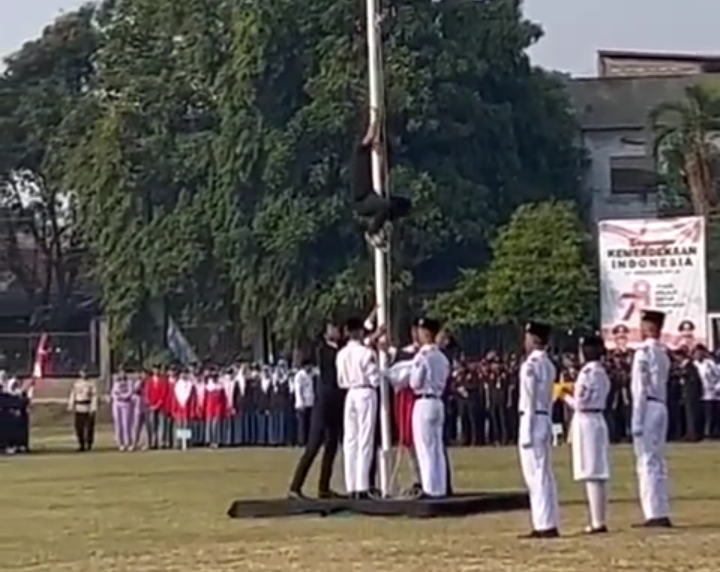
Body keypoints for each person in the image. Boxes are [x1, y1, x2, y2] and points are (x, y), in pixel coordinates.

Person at [288, 321, 345, 499]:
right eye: (332, 328)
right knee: (313, 446)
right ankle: (295, 487)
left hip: (336, 404)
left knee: (331, 446)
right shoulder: (322, 350)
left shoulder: (341, 348)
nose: (336, 331)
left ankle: (324, 487)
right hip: (323, 404)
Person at [560, 336, 611, 534]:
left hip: (587, 420)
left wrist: (564, 396)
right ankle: (598, 518)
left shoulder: (587, 373)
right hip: (597, 419)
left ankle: (598, 521)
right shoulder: (601, 372)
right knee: (596, 471)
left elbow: (580, 403)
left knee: (591, 471)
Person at [517, 321, 560, 539]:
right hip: (545, 418)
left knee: (535, 475)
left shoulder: (530, 366)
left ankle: (544, 524)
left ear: (533, 340)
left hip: (532, 420)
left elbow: (530, 400)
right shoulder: (549, 365)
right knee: (543, 472)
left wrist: (527, 430)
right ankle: (547, 520)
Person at [631, 309, 672, 528]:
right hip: (661, 405)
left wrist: (636, 420)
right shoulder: (663, 353)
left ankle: (653, 513)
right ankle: (661, 509)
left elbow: (639, 388)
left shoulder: (643, 354)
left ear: (648, 328)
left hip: (648, 406)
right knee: (658, 460)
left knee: (646, 460)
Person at [336, 317, 381, 499]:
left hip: (350, 394)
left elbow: (340, 380)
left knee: (350, 440)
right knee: (365, 439)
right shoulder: (365, 353)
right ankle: (362, 485)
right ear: (360, 332)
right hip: (365, 392)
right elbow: (375, 379)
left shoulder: (341, 354)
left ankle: (351, 484)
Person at [407, 317, 450, 498]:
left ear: (425, 334)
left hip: (423, 401)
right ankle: (439, 488)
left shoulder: (422, 356)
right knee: (437, 449)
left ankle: (430, 488)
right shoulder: (442, 357)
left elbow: (415, 382)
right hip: (438, 401)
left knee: (425, 449)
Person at [352, 119, 411, 250]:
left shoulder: (375, 158)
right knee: (385, 205)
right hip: (363, 199)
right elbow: (369, 136)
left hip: (374, 195)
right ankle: (372, 232)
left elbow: (382, 170)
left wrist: (381, 154)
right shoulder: (360, 151)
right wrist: (376, 119)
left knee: (403, 205)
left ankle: (383, 222)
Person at [67, 369, 98, 452]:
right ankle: (81, 444)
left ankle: (89, 444)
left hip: (88, 406)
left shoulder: (91, 384)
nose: (84, 374)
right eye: (82, 372)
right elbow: (73, 394)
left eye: (85, 372)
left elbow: (94, 396)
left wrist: (93, 408)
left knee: (89, 427)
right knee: (79, 427)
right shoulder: (76, 384)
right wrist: (71, 405)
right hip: (78, 407)